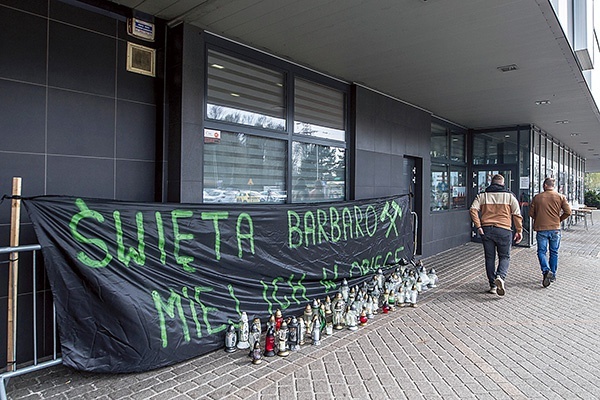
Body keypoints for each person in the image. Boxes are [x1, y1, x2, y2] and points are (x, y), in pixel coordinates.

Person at [470, 174, 523, 296]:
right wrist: (519, 231)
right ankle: (500, 276)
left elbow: (473, 210)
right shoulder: (510, 197)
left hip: (487, 230)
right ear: (503, 184)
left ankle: (493, 285)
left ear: (491, 183)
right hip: (504, 230)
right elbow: (517, 214)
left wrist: (478, 226)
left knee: (490, 258)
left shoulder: (482, 196)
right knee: (504, 257)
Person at [528, 177, 571, 287]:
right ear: (553, 186)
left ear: (545, 185)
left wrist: (539, 218)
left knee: (541, 252)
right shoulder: (561, 197)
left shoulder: (537, 197)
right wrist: (559, 219)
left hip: (541, 229)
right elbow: (568, 212)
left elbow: (531, 213)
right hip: (555, 229)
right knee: (554, 252)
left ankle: (546, 271)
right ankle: (553, 274)